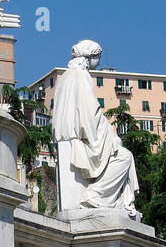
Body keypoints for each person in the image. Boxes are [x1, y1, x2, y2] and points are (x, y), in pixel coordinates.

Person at [52, 40, 139, 217]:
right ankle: (96, 194)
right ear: (89, 57)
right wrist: (111, 135)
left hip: (72, 136)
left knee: (122, 154)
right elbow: (89, 113)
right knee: (124, 156)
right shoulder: (81, 76)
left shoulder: (66, 77)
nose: (98, 63)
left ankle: (107, 197)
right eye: (97, 58)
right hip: (82, 139)